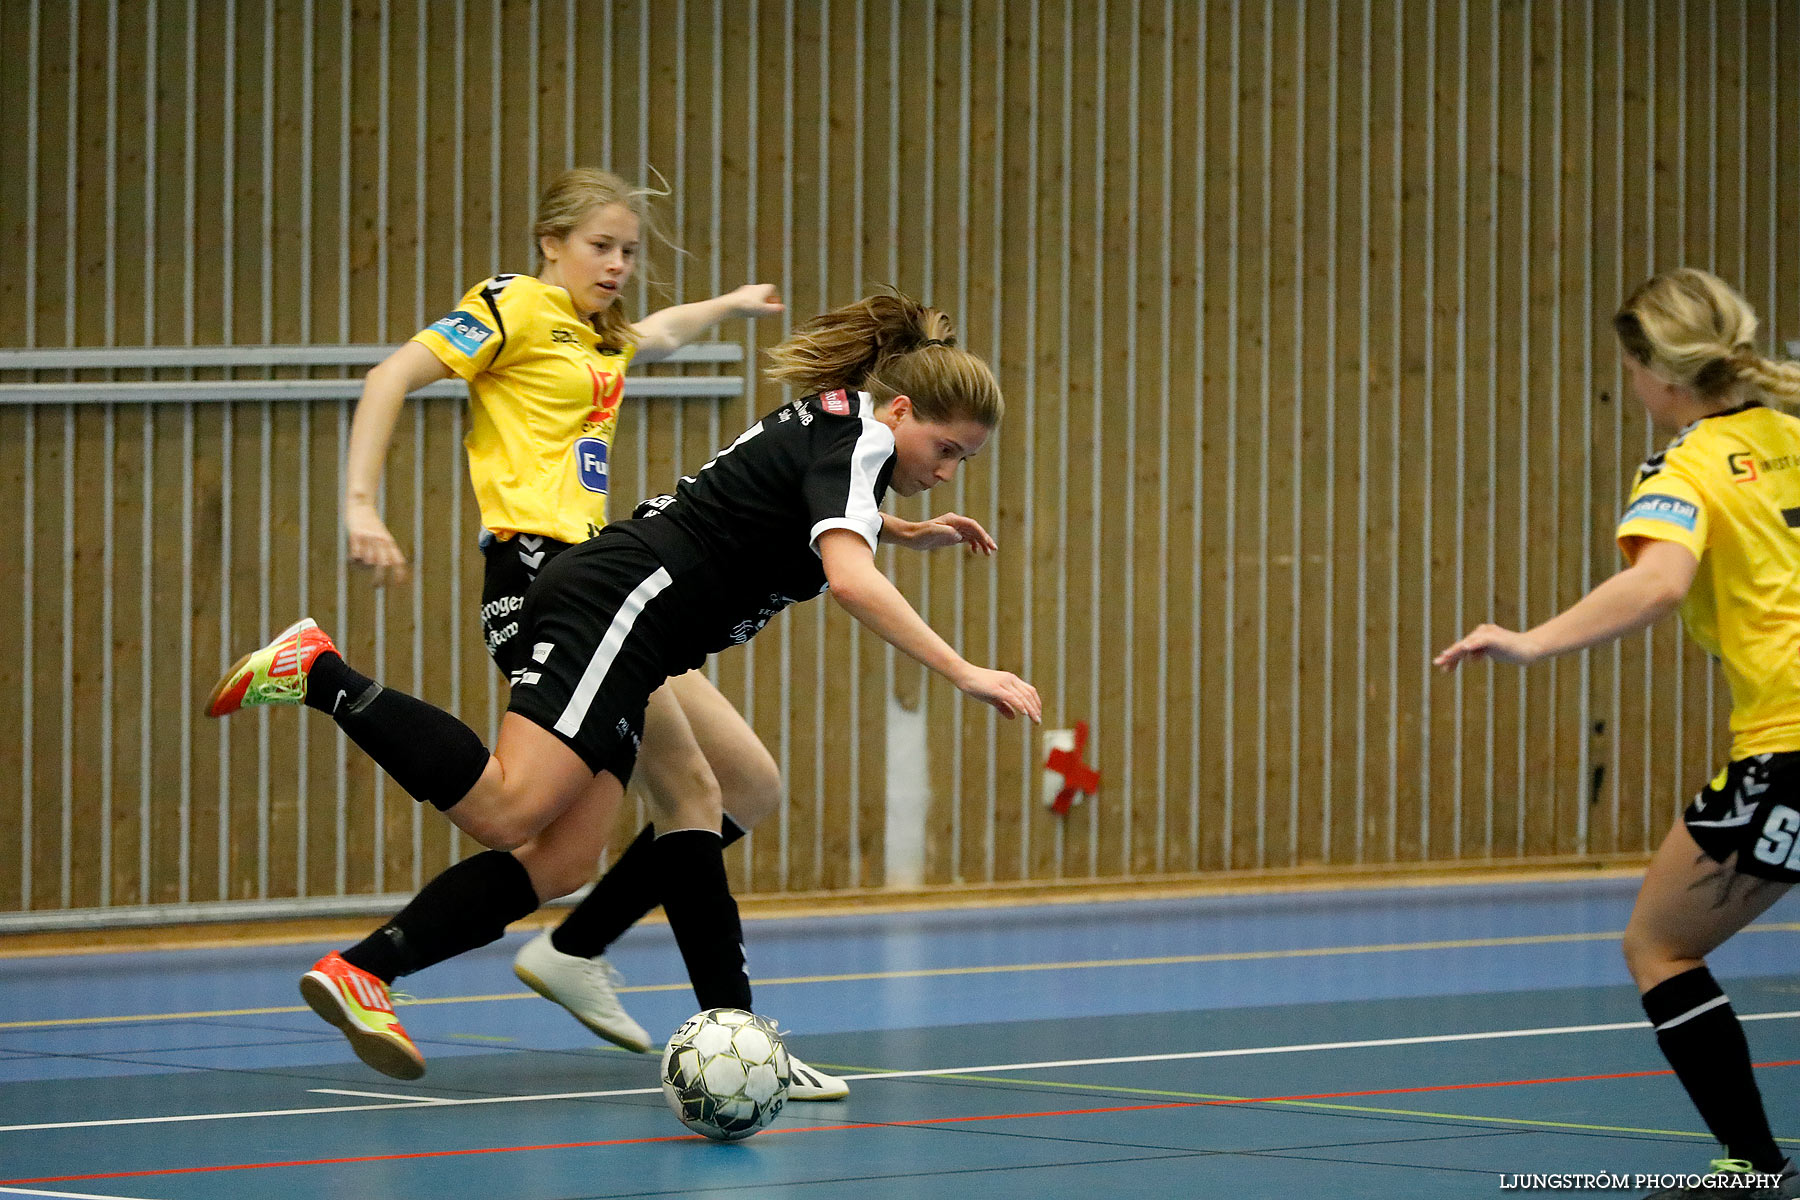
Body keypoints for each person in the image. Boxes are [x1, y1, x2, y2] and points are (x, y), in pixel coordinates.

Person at [207, 289, 1041, 1086]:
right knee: (507, 809)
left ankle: (369, 973)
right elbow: (850, 580)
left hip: (638, 622)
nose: (949, 472)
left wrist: (901, 528)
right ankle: (320, 673)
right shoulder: (854, 439)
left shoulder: (841, 426)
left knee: (593, 844)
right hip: (622, 605)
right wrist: (965, 670)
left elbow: (789, 498)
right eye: (947, 451)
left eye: (963, 460)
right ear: (900, 411)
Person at [339, 167, 987, 1098]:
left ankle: (544, 954)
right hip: (555, 572)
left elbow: (663, 335)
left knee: (698, 805)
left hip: (615, 578)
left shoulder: (600, 342)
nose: (618, 265)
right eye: (601, 244)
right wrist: (363, 504)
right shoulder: (511, 309)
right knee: (536, 810)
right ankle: (327, 684)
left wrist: (726, 303)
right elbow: (392, 373)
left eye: (630, 251)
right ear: (548, 242)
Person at [1435, 268, 1800, 1199]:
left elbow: (1658, 583)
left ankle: (1752, 1166)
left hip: (1789, 741)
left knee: (1660, 945)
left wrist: (1528, 642)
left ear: (1656, 372)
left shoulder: (1684, 465)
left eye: (1628, 370)